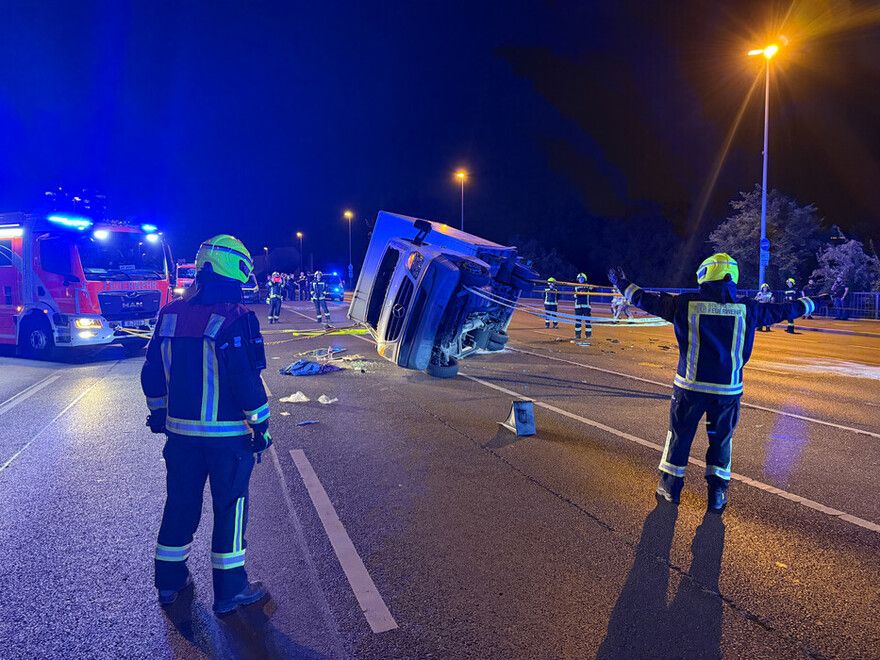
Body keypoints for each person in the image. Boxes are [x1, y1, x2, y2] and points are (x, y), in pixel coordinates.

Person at [608, 253, 825, 513]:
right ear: (732, 277)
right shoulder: (749, 309)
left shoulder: (686, 304)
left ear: (705, 275)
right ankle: (717, 495)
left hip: (690, 388)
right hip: (728, 392)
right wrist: (820, 301)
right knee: (721, 441)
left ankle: (670, 488)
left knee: (679, 437)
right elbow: (788, 309)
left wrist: (622, 284)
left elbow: (647, 301)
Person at [141, 234, 272, 615]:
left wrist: (159, 413)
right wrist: (261, 425)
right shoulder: (235, 318)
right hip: (228, 439)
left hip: (179, 438)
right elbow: (245, 380)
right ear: (234, 269)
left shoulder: (169, 314)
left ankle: (169, 583)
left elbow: (150, 373)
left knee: (180, 504)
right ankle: (230, 591)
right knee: (230, 509)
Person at [573, 273, 592, 340]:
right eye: (579, 278)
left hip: (586, 306)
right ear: (578, 279)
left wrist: (589, 287)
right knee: (578, 321)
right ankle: (577, 335)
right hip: (578, 307)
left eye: (582, 278)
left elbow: (594, 290)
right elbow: (574, 296)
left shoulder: (588, 286)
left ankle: (588, 335)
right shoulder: (575, 287)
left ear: (584, 279)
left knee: (588, 321)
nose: (581, 280)